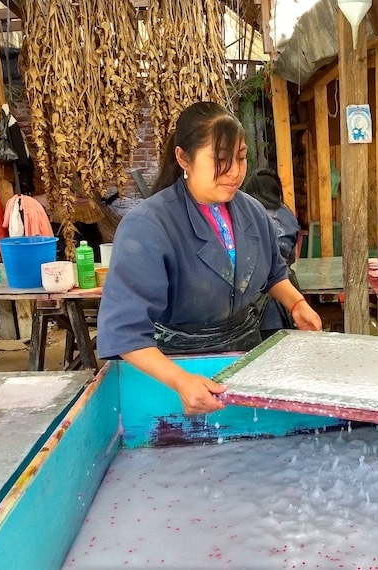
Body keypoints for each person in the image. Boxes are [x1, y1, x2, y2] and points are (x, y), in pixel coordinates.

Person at [97, 101, 322, 415]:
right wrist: (180, 381)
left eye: (241, 158)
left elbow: (273, 271)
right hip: (172, 367)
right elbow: (123, 331)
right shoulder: (147, 226)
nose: (235, 172)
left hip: (243, 357)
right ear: (183, 158)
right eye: (221, 160)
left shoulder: (253, 212)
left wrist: (297, 305)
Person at [241, 168, 301, 336]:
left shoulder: (247, 215)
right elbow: (289, 257)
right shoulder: (287, 215)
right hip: (285, 299)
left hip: (251, 303)